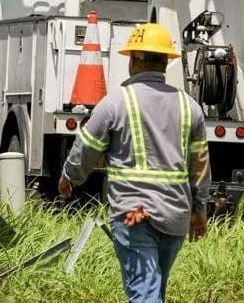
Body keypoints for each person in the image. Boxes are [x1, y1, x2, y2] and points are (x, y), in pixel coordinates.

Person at [59, 23, 211, 302]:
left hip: (134, 215)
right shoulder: (190, 107)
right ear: (166, 62)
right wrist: (199, 208)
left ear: (133, 60)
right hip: (175, 216)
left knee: (145, 294)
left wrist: (69, 177)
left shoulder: (116, 102)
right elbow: (200, 165)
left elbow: (87, 147)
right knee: (153, 291)